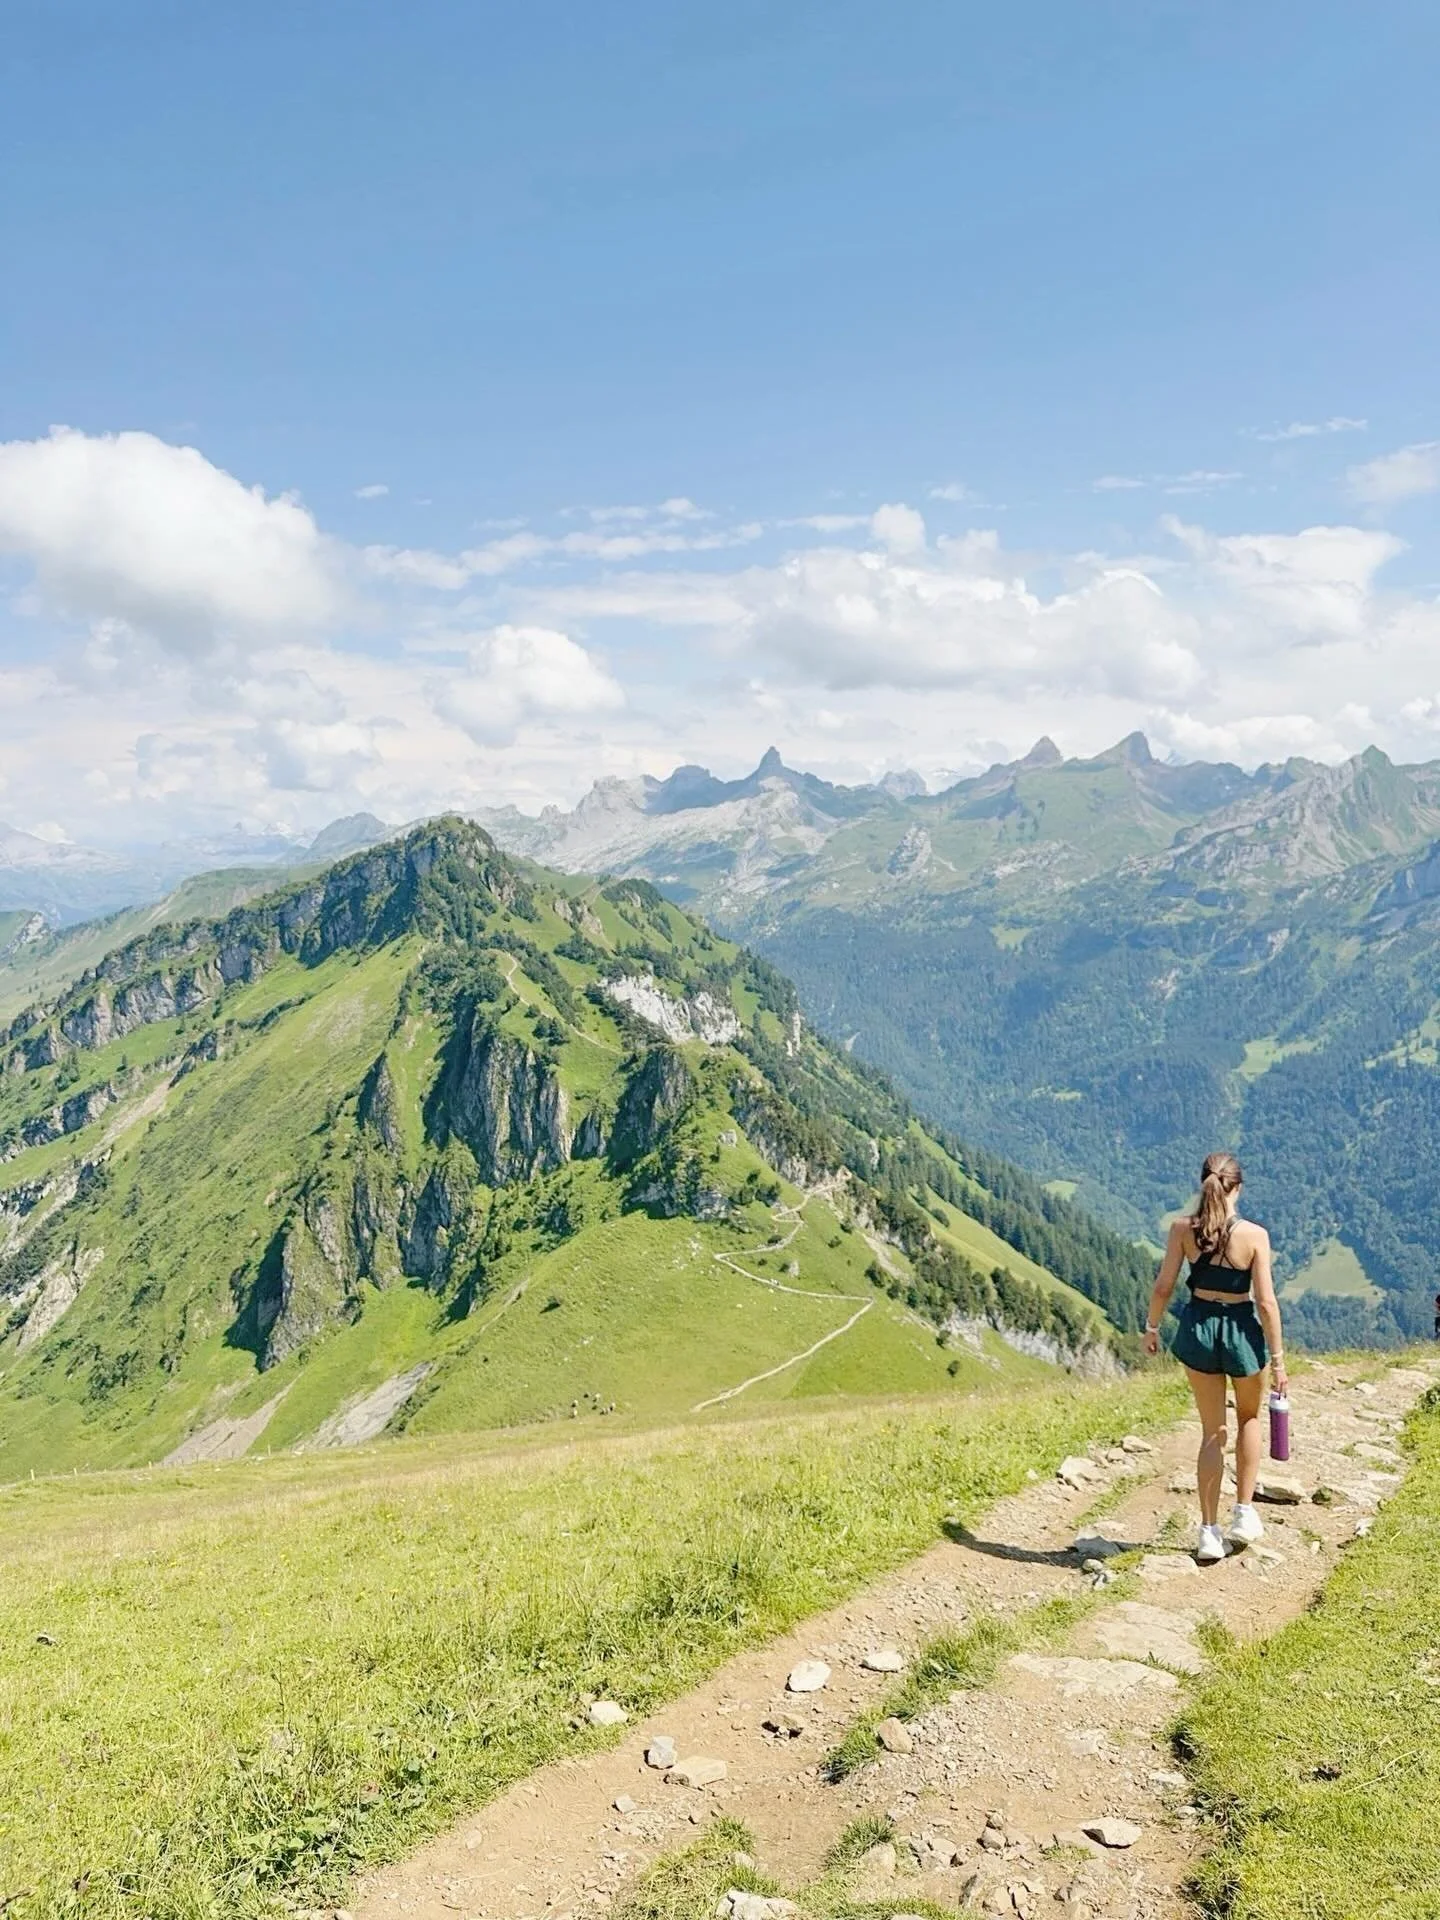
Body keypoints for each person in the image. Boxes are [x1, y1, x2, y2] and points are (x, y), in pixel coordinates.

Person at [1143, 1150, 1287, 1564]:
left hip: (1199, 1327)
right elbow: (1266, 1303)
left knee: (1212, 1432)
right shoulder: (1254, 1235)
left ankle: (1208, 1532)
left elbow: (1163, 1286)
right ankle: (1243, 1512)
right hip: (1240, 1329)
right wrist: (1278, 1359)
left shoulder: (1181, 1229)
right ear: (1237, 1187)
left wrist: (1152, 1328)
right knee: (1249, 1419)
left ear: (1203, 1183)